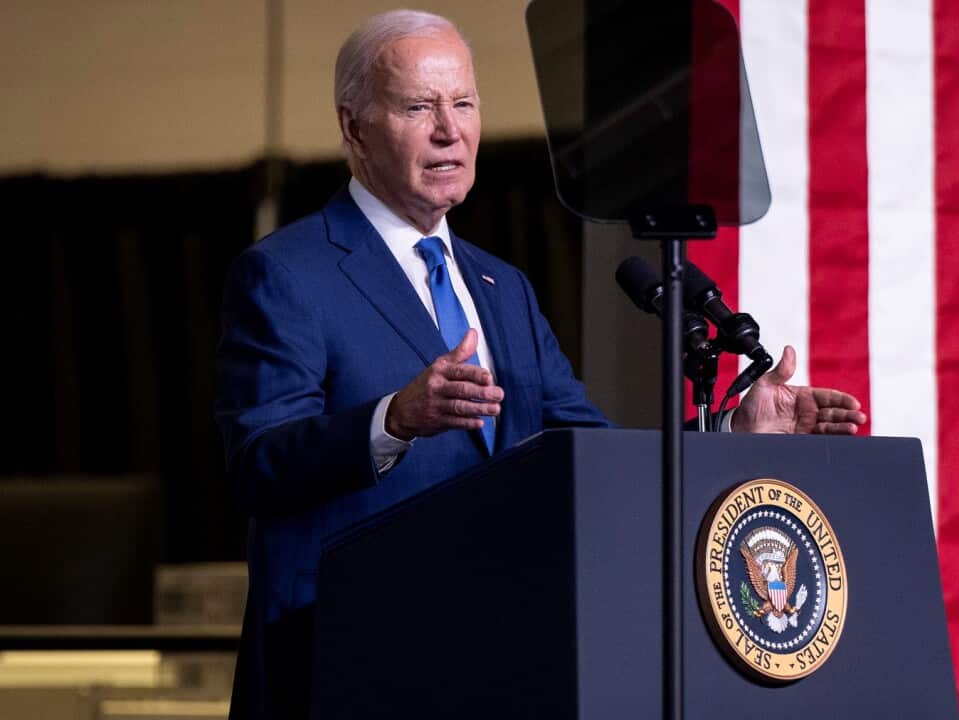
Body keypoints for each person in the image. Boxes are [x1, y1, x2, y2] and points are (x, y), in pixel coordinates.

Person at [215, 10, 866, 719]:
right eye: (417, 106)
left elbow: (588, 457)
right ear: (353, 126)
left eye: (463, 103)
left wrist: (729, 437)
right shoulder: (286, 274)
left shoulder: (503, 288)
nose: (449, 129)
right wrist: (393, 421)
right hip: (344, 670)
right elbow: (259, 464)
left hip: (495, 663)